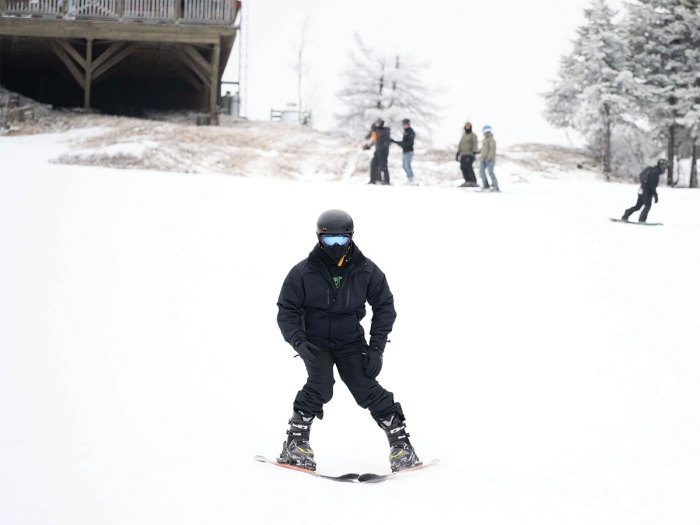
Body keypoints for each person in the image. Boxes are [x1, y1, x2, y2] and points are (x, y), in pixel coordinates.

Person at [276, 210, 421, 473]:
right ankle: (295, 444)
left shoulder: (365, 270)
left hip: (350, 342)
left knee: (365, 386)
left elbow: (384, 306)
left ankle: (401, 446)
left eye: (341, 240)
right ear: (319, 238)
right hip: (315, 343)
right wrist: (298, 342)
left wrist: (377, 348)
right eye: (329, 240)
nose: (335, 246)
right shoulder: (303, 272)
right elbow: (287, 310)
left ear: (351, 238)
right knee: (321, 385)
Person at [392, 118, 416, 184]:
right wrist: (394, 141)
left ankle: (411, 179)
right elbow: (403, 142)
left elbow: (410, 143)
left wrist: (402, 144)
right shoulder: (405, 131)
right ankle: (410, 178)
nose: (404, 126)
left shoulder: (410, 132)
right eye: (403, 124)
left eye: (405, 124)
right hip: (405, 152)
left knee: (407, 166)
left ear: (408, 124)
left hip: (409, 152)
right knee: (404, 166)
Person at [456, 122, 478, 187]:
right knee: (463, 168)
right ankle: (467, 181)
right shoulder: (464, 135)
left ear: (471, 127)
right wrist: (458, 153)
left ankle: (473, 181)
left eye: (469, 126)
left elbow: (475, 144)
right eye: (466, 126)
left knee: (469, 168)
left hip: (469, 154)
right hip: (463, 154)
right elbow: (460, 144)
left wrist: (474, 152)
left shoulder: (473, 135)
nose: (467, 127)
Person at [479, 125, 499, 192]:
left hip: (490, 160)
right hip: (483, 159)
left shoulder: (491, 139)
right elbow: (483, 150)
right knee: (481, 172)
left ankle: (495, 187)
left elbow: (492, 150)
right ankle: (486, 186)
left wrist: (488, 158)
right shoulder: (484, 139)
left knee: (491, 172)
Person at [374, 118, 392, 185]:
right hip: (378, 151)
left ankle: (386, 180)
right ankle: (379, 179)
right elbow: (375, 140)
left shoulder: (385, 130)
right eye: (376, 123)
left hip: (384, 151)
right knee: (378, 165)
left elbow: (387, 141)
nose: (377, 124)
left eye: (378, 123)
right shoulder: (377, 130)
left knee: (384, 165)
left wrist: (382, 148)